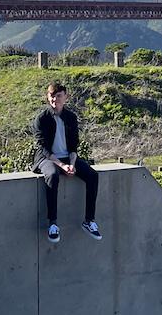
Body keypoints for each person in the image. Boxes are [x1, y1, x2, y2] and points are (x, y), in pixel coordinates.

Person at [33, 81, 101, 243]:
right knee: (53, 175)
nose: (54, 99)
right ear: (47, 97)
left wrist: (71, 163)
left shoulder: (70, 117)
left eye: (58, 96)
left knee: (92, 175)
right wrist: (62, 166)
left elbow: (73, 145)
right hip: (46, 158)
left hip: (67, 157)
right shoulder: (41, 119)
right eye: (52, 96)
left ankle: (89, 220)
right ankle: (53, 224)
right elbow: (43, 148)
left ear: (65, 97)